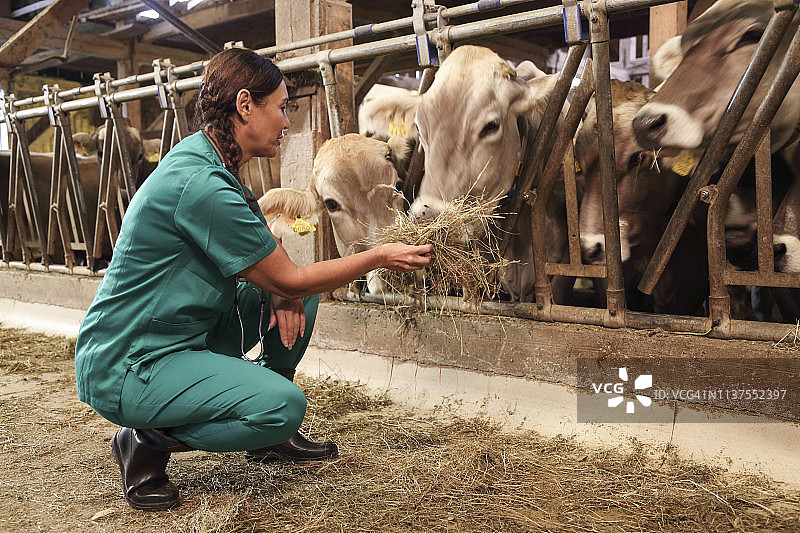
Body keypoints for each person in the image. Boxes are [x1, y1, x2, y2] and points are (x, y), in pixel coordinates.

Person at [74, 47, 432, 512]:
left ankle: (262, 439)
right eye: (281, 108)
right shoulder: (202, 184)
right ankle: (145, 439)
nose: (286, 122)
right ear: (245, 106)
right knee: (283, 406)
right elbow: (290, 275)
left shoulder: (215, 164)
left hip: (179, 332)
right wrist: (378, 255)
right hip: (130, 360)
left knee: (300, 298)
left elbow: (273, 257)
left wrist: (283, 290)